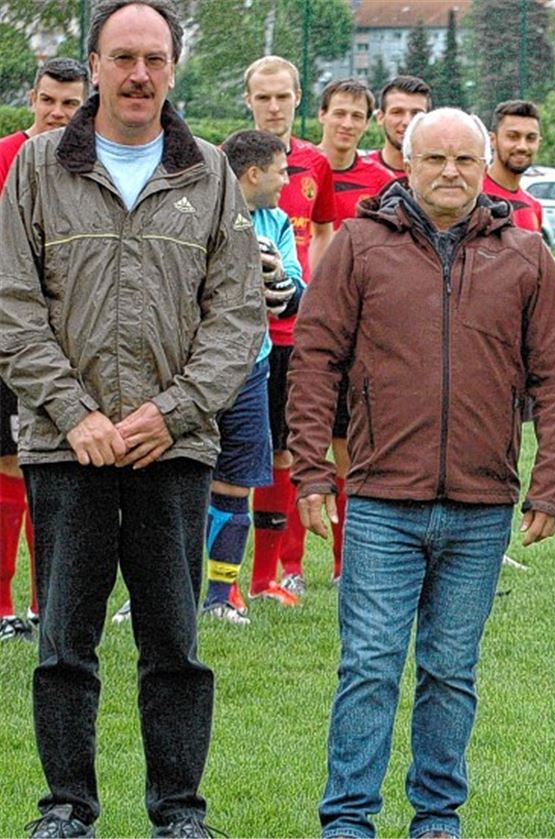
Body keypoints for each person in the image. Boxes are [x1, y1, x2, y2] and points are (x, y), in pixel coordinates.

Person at [0, 1, 264, 835]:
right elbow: (12, 305)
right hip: (63, 446)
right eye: (123, 58)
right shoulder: (37, 167)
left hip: (172, 451)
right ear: (96, 64)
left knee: (175, 647)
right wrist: (74, 413)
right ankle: (66, 806)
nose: (139, 73)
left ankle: (179, 810)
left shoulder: (212, 173)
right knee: (64, 645)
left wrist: (173, 410)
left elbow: (237, 314)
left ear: (173, 69)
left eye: (154, 58)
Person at [288, 107, 555, 839]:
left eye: (465, 161)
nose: (450, 172)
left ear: (485, 169)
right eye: (435, 159)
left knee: (451, 672)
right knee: (369, 667)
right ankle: (348, 818)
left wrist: (551, 482)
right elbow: (315, 361)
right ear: (406, 164)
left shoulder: (525, 255)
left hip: (482, 506)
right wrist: (314, 472)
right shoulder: (357, 245)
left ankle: (437, 818)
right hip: (383, 499)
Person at [198, 128, 304, 625]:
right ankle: (154, 594)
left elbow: (294, 290)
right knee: (174, 483)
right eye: (282, 171)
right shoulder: (196, 209)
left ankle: (221, 595)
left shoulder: (277, 220)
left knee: (236, 482)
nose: (287, 180)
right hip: (193, 368)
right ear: (254, 173)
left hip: (252, 365)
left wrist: (277, 278)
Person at [0, 56, 89, 644]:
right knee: (10, 462)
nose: (57, 114)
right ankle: (5, 607)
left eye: (70, 104)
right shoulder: (6, 155)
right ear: (32, 98)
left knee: (57, 466)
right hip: (14, 332)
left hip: (75, 339)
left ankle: (47, 605)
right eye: (48, 100)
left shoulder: (96, 157)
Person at [244, 54, 336, 604]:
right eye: (263, 97)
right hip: (238, 338)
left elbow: (322, 230)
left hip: (292, 332)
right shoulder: (226, 161)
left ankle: (268, 577)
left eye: (283, 97)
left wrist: (309, 290)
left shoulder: (315, 164)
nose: (273, 106)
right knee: (220, 458)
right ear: (249, 100)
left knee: (284, 453)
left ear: (298, 98)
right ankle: (211, 579)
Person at [306, 77, 394, 583]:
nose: (346, 124)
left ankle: (346, 565)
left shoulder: (379, 181)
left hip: (355, 328)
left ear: (368, 123)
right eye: (339, 113)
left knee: (348, 445)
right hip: (290, 323)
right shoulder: (296, 167)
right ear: (321, 115)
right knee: (288, 448)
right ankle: (281, 570)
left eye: (357, 116)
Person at [484, 99, 555, 291]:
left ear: (539, 143)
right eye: (513, 136)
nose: (522, 146)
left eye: (530, 138)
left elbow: (536, 256)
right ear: (492, 139)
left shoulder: (532, 206)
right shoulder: (471, 194)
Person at [368, 74, 430, 178]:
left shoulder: (441, 174)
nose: (407, 121)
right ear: (380, 118)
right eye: (397, 112)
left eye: (416, 113)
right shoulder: (358, 173)